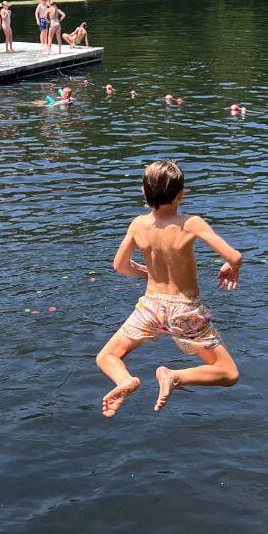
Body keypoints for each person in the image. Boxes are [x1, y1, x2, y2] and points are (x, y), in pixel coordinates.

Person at [95, 160, 242, 417]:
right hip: (184, 309)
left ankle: (124, 381)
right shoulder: (191, 223)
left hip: (151, 305)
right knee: (228, 373)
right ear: (180, 195)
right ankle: (174, 376)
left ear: (143, 192)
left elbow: (120, 265)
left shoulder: (138, 225)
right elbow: (235, 256)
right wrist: (230, 267)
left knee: (107, 357)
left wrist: (147, 272)